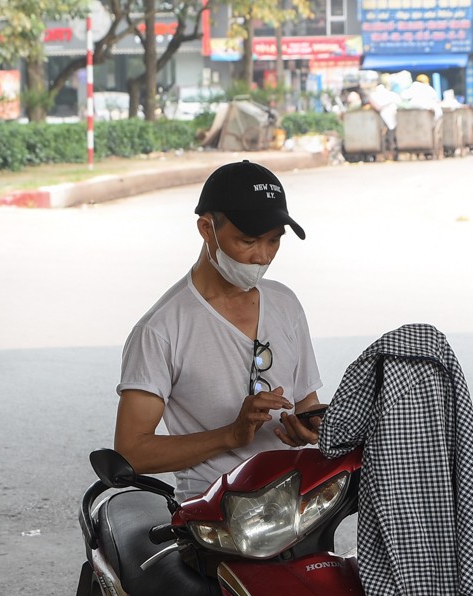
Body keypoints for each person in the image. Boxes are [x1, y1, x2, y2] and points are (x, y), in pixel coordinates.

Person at [114, 160, 326, 501]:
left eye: (274, 241)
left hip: (293, 501)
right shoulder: (161, 329)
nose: (262, 256)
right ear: (206, 228)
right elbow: (131, 451)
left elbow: (305, 401)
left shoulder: (286, 304)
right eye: (248, 240)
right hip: (213, 511)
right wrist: (230, 435)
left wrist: (304, 426)